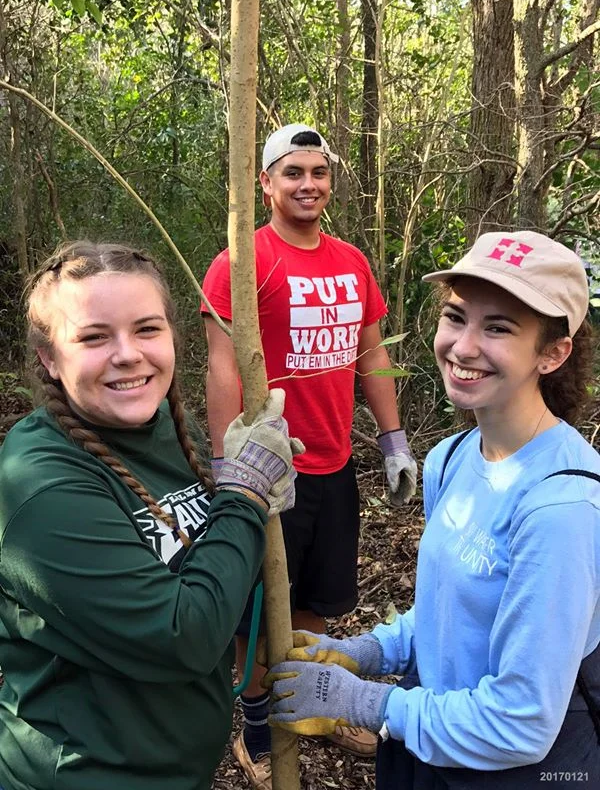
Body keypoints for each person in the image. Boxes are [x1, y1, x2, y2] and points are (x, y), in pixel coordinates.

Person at [267, 230, 600, 789]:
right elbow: (452, 613)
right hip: (430, 747)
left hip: (513, 771)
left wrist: (369, 704)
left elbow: (520, 724)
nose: (464, 347)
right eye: (456, 317)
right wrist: (368, 652)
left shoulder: (561, 508)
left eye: (498, 327)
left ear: (552, 352)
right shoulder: (451, 458)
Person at [0, 242, 302, 790]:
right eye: (94, 337)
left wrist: (251, 498)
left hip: (176, 768)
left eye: (146, 329)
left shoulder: (160, 426)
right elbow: (185, 634)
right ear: (49, 357)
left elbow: (212, 565)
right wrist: (245, 496)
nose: (128, 354)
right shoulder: (38, 486)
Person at [201, 123, 417, 785]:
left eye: (318, 173)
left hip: (332, 461)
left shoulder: (350, 261)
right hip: (269, 466)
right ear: (265, 183)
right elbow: (218, 367)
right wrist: (226, 465)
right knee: (255, 603)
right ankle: (259, 723)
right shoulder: (242, 261)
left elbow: (371, 353)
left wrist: (392, 439)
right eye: (293, 172)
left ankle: (304, 702)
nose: (308, 184)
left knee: (318, 597)